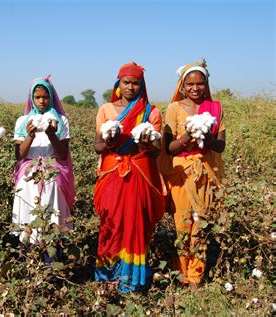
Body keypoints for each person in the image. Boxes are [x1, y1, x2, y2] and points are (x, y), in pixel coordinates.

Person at [94, 62, 166, 293]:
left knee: (137, 223)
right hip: (113, 171)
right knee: (111, 222)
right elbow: (97, 147)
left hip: (139, 172)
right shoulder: (106, 110)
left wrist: (145, 142)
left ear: (142, 85)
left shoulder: (151, 112)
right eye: (126, 82)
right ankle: (107, 277)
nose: (131, 87)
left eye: (136, 83)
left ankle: (130, 280)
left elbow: (156, 149)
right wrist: (110, 140)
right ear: (118, 84)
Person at [161, 59, 225, 287]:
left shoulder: (216, 108)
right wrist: (188, 135)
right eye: (190, 84)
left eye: (199, 83)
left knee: (201, 224)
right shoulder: (174, 108)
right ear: (182, 85)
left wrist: (206, 138)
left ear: (206, 83)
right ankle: (180, 273)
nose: (195, 88)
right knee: (182, 224)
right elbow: (168, 148)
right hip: (183, 173)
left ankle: (196, 276)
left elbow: (221, 145)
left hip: (206, 172)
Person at [12, 75, 74, 246]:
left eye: (45, 97)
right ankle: (31, 263)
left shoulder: (61, 121)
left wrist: (51, 134)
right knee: (29, 221)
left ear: (51, 98)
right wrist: (30, 135)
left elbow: (63, 155)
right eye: (37, 97)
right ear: (31, 98)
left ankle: (50, 264)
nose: (42, 101)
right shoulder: (23, 121)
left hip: (53, 177)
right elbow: (19, 155)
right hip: (29, 179)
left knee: (52, 219)